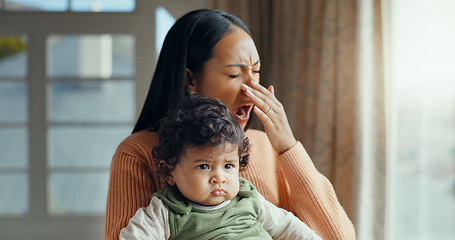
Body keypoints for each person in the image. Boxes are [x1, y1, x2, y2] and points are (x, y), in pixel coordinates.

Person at [105, 9, 356, 240]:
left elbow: (339, 237)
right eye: (235, 74)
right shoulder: (137, 152)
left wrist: (288, 147)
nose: (252, 89)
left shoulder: (267, 146)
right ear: (189, 78)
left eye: (256, 71)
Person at [118, 95, 322, 239]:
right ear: (168, 171)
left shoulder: (248, 198)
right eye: (204, 166)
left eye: (228, 166)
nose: (219, 177)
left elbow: (288, 227)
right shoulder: (166, 211)